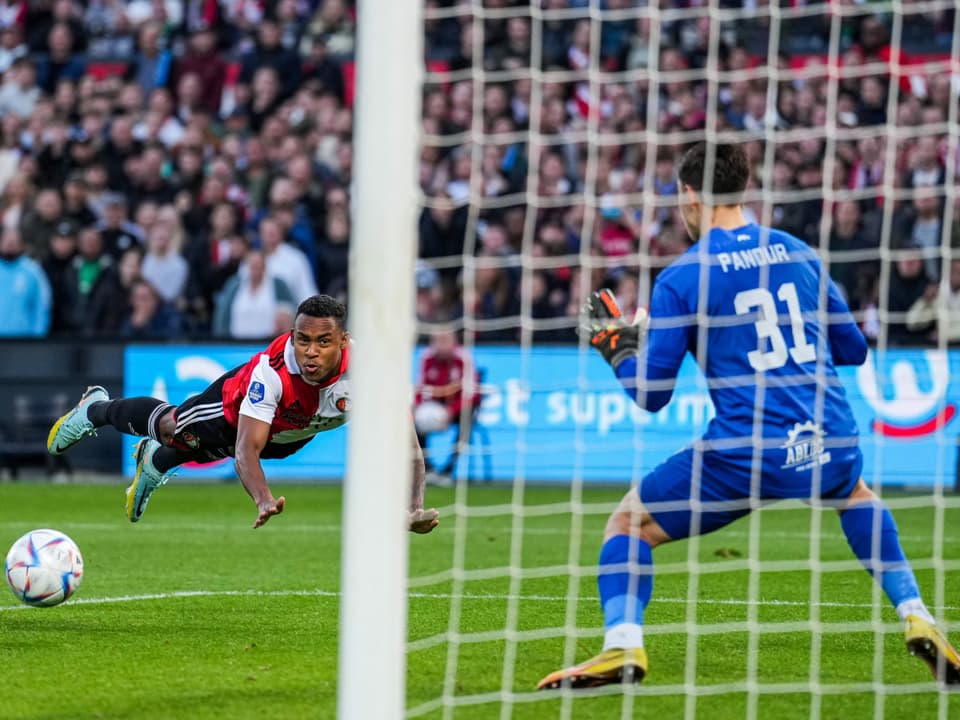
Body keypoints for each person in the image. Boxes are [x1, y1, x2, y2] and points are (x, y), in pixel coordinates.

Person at [537, 143, 960, 690]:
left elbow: (652, 394)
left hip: (748, 449)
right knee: (856, 494)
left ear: (689, 194)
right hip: (829, 434)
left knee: (629, 524)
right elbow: (854, 350)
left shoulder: (683, 277)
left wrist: (616, 347)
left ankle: (622, 647)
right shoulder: (798, 251)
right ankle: (915, 613)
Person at [47, 294, 439, 534]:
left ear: (344, 340)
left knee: (197, 448)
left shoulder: (373, 372)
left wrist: (413, 508)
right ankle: (95, 409)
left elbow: (408, 448)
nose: (311, 352)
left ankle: (154, 465)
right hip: (235, 409)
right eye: (302, 340)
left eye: (323, 342)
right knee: (175, 431)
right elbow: (245, 451)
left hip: (291, 434)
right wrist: (263, 498)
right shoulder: (274, 372)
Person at [413, 328, 481, 482]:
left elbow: (471, 394)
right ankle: (427, 468)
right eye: (437, 341)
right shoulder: (427, 357)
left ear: (453, 341)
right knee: (412, 420)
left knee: (467, 419)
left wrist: (451, 411)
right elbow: (421, 389)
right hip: (434, 406)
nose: (440, 345)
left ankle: (448, 470)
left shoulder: (464, 358)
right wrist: (417, 407)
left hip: (457, 409)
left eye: (445, 340)